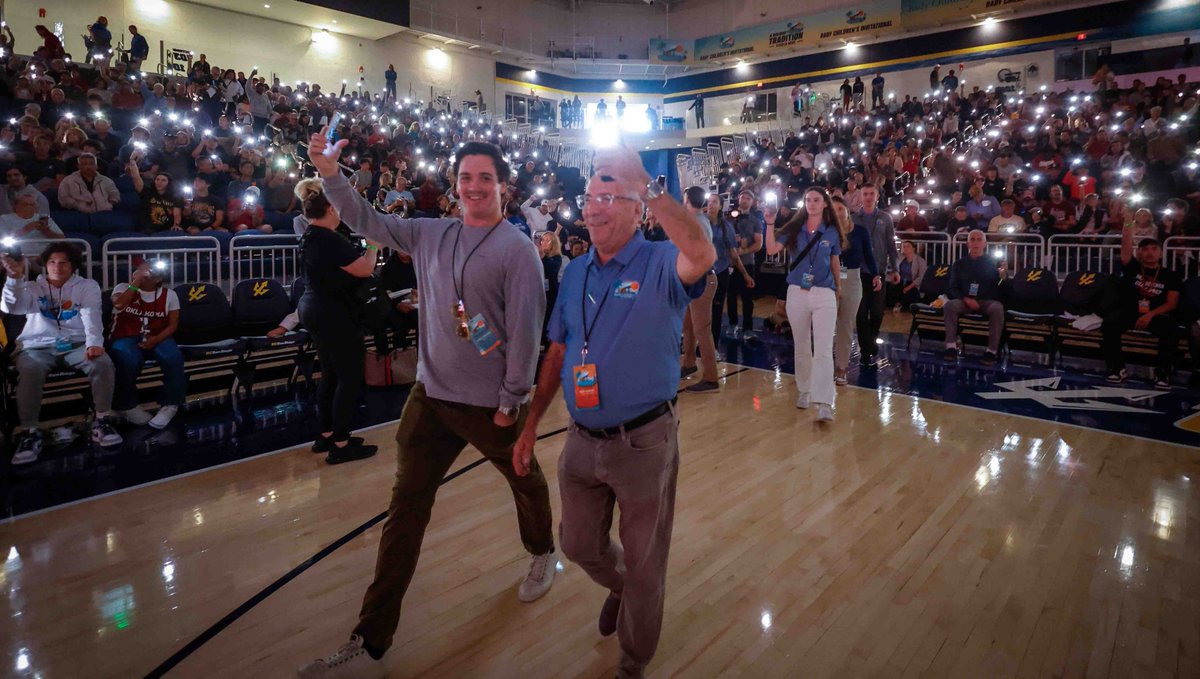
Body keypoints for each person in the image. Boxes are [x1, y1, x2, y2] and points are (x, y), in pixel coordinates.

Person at [299, 135, 555, 678]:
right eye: (466, 177)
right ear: (455, 184)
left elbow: (526, 333)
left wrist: (511, 403)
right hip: (431, 396)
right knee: (404, 511)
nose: (475, 186)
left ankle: (541, 551)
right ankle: (369, 638)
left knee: (524, 479)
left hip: (489, 405)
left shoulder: (518, 251)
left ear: (503, 185)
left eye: (486, 177)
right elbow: (364, 220)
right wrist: (330, 173)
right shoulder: (431, 233)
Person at [514, 145, 715, 679]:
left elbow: (700, 253)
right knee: (576, 543)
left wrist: (649, 183)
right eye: (590, 198)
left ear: (637, 209)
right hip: (581, 438)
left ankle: (633, 661)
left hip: (644, 441)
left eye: (610, 197)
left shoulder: (659, 261)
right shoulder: (576, 271)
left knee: (647, 560)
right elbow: (558, 350)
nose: (595, 208)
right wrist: (532, 424)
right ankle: (623, 589)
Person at [2, 242, 122, 465]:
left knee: (102, 363)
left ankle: (102, 421)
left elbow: (91, 316)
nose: (57, 266)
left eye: (63, 262)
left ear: (73, 266)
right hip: (38, 346)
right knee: (29, 369)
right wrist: (14, 279)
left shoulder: (87, 286)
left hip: (76, 344)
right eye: (52, 262)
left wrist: (94, 343)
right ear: (45, 265)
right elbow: (13, 308)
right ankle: (29, 432)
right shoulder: (29, 286)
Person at [292, 178, 380, 463]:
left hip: (315, 309)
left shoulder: (309, 236)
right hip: (334, 313)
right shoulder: (329, 239)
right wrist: (373, 245)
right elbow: (365, 269)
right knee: (350, 377)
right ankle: (341, 444)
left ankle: (328, 433)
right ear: (330, 208)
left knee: (330, 374)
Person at [764, 187, 841, 422]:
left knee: (824, 348)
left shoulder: (832, 231)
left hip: (824, 292)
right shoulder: (794, 229)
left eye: (816, 200)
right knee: (801, 344)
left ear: (825, 203)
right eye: (808, 200)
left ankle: (825, 401)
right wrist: (769, 224)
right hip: (797, 291)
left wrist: (837, 289)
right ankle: (805, 390)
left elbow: (834, 261)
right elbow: (771, 249)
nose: (812, 204)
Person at [109, 260, 186, 429]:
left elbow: (173, 325)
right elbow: (119, 304)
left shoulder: (169, 295)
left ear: (158, 279)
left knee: (173, 357)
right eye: (139, 270)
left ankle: (171, 404)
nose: (143, 273)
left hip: (157, 335)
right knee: (128, 359)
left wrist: (156, 340)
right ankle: (125, 405)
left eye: (148, 272)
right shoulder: (122, 288)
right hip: (125, 336)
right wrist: (136, 283)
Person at [1102, 228, 1181, 388]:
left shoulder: (1170, 275)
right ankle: (1118, 368)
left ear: (1161, 253)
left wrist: (1150, 314)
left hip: (1156, 315)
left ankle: (1162, 373)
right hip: (1131, 313)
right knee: (1109, 324)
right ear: (1139, 253)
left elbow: (1171, 303)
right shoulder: (1133, 268)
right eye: (1145, 249)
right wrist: (1128, 223)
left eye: (1154, 249)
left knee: (1171, 329)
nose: (1149, 253)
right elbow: (1125, 249)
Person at [830, 196, 878, 387]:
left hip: (852, 278)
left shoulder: (860, 231)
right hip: (829, 279)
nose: (838, 212)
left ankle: (841, 369)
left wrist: (876, 275)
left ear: (847, 210)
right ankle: (823, 366)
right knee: (825, 324)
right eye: (833, 209)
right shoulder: (827, 231)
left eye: (840, 208)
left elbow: (869, 255)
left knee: (846, 325)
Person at [679, 186, 721, 393]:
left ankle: (711, 377)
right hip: (694, 279)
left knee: (702, 330)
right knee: (688, 325)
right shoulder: (699, 220)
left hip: (702, 279)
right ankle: (688, 363)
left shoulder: (696, 222)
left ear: (687, 200)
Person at [943, 230, 1005, 365]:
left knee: (997, 308)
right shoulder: (959, 264)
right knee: (950, 305)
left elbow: (999, 287)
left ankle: (991, 351)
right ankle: (951, 347)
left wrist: (1003, 278)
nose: (975, 242)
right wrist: (966, 299)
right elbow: (953, 287)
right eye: (972, 239)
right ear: (967, 243)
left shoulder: (993, 263)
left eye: (978, 239)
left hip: (985, 301)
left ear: (984, 244)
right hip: (965, 300)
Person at [853, 184, 897, 366]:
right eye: (865, 194)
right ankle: (865, 350)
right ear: (860, 196)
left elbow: (891, 245)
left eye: (872, 193)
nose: (869, 197)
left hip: (878, 271)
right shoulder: (853, 218)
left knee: (877, 313)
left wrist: (895, 268)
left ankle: (871, 340)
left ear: (877, 196)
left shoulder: (885, 218)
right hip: (858, 271)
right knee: (861, 313)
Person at [728, 189, 764, 338]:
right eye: (743, 197)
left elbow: (759, 244)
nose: (745, 200)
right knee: (730, 296)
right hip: (729, 263)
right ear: (738, 198)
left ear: (752, 201)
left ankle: (748, 327)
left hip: (747, 262)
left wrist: (744, 250)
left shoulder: (755, 221)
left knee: (747, 297)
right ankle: (732, 323)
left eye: (748, 198)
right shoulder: (728, 218)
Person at [0, 194, 64, 239]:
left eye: (32, 204)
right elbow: (3, 240)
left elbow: (62, 239)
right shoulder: (4, 219)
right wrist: (26, 229)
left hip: (43, 254)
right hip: (16, 255)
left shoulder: (44, 218)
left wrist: (46, 231)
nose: (29, 207)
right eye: (25, 204)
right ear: (16, 206)